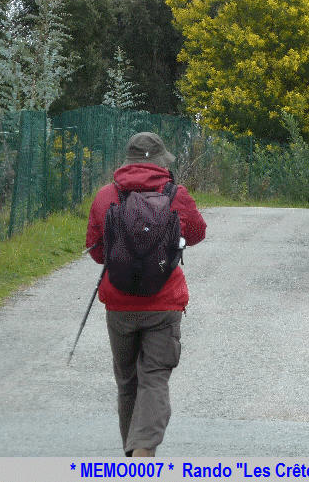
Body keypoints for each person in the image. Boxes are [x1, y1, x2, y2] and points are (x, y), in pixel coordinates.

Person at [86, 132, 206, 457]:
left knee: (127, 383)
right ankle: (143, 452)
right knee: (154, 378)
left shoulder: (105, 196)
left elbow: (97, 252)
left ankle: (132, 455)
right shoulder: (176, 194)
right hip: (164, 303)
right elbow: (196, 233)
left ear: (128, 161)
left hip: (119, 305)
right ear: (160, 161)